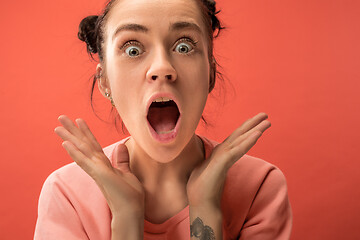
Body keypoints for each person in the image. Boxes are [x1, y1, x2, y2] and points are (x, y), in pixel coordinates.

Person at [34, 0, 292, 239]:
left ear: (210, 73)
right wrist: (126, 218)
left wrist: (205, 208)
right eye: (133, 49)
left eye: (184, 47)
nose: (162, 68)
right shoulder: (67, 194)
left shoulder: (259, 187)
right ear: (105, 81)